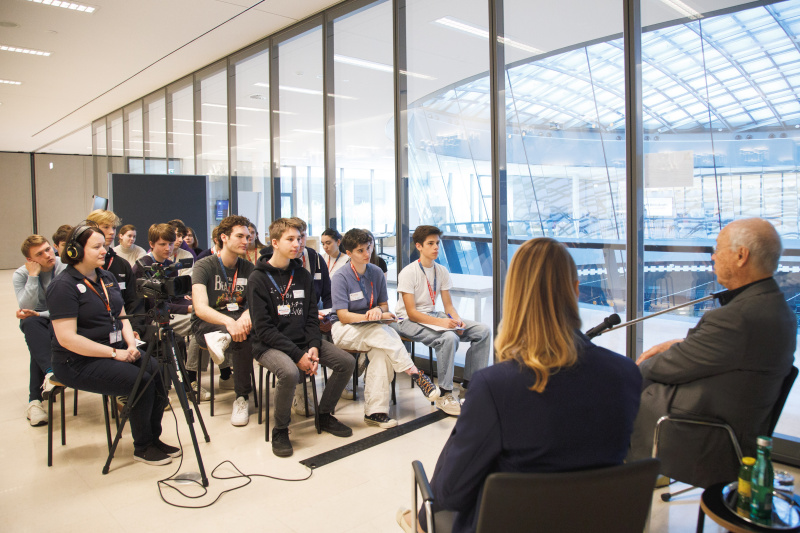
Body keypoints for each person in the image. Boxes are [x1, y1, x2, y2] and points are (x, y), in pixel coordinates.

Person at [397, 238, 642, 533]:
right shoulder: (626, 374)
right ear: (576, 291)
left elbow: (450, 491)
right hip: (595, 521)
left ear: (512, 299)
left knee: (425, 515)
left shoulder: (495, 387)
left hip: (514, 522)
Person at [627, 218, 797, 488]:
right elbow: (725, 354)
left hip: (702, 435)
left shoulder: (738, 318)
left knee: (614, 396)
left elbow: (658, 368)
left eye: (718, 249)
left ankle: (616, 495)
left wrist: (641, 365)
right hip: (736, 427)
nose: (713, 256)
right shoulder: (776, 308)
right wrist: (679, 345)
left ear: (741, 256)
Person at [45, 225, 179, 465]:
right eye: (96, 247)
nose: (104, 251)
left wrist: (130, 344)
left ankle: (153, 438)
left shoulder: (105, 277)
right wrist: (114, 353)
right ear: (76, 251)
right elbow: (67, 339)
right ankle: (143, 446)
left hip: (115, 349)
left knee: (158, 372)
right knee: (141, 382)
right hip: (76, 360)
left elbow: (121, 314)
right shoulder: (62, 286)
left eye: (104, 246)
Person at [248, 218, 355, 457]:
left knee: (346, 362)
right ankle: (281, 429)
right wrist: (298, 356)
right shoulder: (258, 278)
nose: (297, 244)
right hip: (269, 346)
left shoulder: (303, 275)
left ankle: (324, 415)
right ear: (274, 242)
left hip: (303, 342)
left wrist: (314, 346)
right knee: (289, 372)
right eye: (290, 239)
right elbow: (263, 330)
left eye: (299, 238)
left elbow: (309, 318)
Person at [331, 228, 440, 429]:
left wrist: (378, 312)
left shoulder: (377, 273)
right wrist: (369, 315)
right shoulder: (340, 277)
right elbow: (343, 316)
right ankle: (415, 372)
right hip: (345, 329)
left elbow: (383, 307)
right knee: (382, 333)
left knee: (381, 353)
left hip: (373, 328)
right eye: (360, 250)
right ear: (349, 253)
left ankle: (375, 413)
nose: (367, 254)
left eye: (369, 248)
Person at [391, 225, 491, 416]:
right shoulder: (408, 273)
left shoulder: (441, 271)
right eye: (431, 243)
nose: (436, 247)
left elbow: (448, 307)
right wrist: (444, 324)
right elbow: (412, 313)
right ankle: (444, 395)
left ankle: (470, 387)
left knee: (482, 331)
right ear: (419, 246)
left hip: (432, 316)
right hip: (408, 321)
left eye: (437, 243)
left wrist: (457, 320)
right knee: (448, 338)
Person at [131, 224, 210, 401]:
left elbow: (174, 299)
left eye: (171, 243)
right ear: (151, 244)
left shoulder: (169, 265)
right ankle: (189, 380)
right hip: (150, 319)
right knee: (199, 322)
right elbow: (155, 305)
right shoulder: (141, 268)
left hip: (171, 313)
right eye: (163, 244)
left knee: (205, 324)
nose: (168, 248)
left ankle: (191, 377)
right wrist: (189, 309)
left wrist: (192, 306)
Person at [191, 215, 255, 426]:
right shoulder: (204, 266)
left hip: (238, 322)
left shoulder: (248, 268)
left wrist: (244, 317)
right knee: (239, 334)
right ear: (224, 237)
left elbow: (255, 303)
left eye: (247, 236)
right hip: (208, 325)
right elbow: (200, 308)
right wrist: (229, 323)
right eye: (240, 236)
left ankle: (241, 398)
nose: (246, 241)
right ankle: (221, 337)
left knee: (242, 335)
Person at [14, 235, 67, 426]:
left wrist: (39, 315)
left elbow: (66, 307)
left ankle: (35, 400)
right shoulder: (21, 274)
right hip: (37, 322)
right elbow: (26, 306)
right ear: (30, 260)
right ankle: (51, 372)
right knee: (29, 324)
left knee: (41, 337)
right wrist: (33, 276)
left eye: (47, 249)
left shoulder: (64, 267)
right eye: (40, 253)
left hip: (61, 319)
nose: (48, 255)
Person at [86, 210, 140, 319]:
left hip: (123, 325)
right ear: (91, 228)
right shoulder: (83, 266)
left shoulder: (122, 264)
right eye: (106, 227)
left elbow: (133, 301)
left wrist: (135, 329)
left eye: (114, 228)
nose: (112, 232)